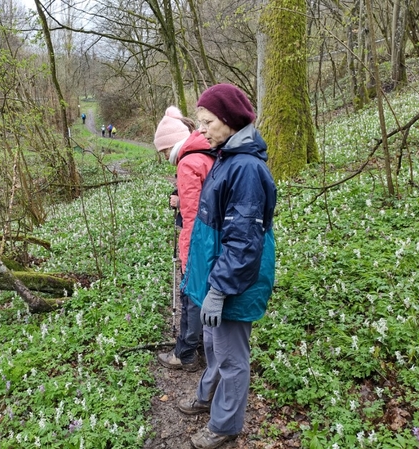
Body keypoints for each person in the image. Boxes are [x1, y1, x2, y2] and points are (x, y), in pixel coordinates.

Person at [178, 84, 277, 449]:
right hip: (217, 276)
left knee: (232, 356)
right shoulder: (226, 157)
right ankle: (207, 397)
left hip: (235, 281)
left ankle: (225, 425)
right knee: (214, 344)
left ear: (229, 121)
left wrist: (219, 289)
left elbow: (243, 242)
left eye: (206, 122)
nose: (200, 129)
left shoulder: (246, 169)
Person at [153, 106, 215, 372]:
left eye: (163, 151)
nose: (164, 156)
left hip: (200, 241)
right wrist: (181, 198)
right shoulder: (205, 153)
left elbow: (191, 217)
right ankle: (198, 344)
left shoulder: (188, 162)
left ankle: (186, 354)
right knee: (201, 293)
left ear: (171, 144)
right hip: (215, 237)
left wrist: (187, 255)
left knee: (190, 293)